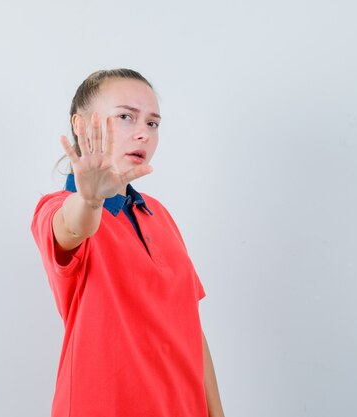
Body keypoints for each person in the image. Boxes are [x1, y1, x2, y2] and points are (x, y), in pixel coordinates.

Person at [31, 69, 225, 417]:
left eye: (153, 123)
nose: (142, 133)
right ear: (81, 125)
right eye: (125, 117)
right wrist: (91, 200)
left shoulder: (159, 215)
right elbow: (72, 228)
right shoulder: (57, 209)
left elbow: (191, 327)